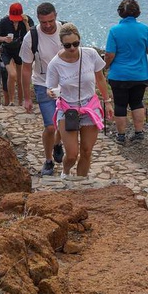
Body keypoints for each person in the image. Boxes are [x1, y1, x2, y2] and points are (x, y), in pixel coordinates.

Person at [44, 23, 111, 179]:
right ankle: (66, 172)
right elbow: (50, 87)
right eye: (68, 45)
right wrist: (51, 92)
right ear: (62, 44)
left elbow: (100, 79)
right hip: (68, 109)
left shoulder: (90, 54)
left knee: (87, 151)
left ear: (80, 40)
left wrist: (107, 101)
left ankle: (81, 183)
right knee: (73, 154)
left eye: (76, 44)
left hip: (90, 107)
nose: (72, 48)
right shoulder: (55, 64)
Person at [104, 0, 148, 145]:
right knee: (137, 103)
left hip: (119, 75)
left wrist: (105, 66)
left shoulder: (114, 31)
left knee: (120, 104)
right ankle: (138, 133)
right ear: (137, 12)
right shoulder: (144, 29)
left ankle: (121, 136)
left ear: (120, 13)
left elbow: (110, 54)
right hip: (139, 74)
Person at [21, 2, 66, 176]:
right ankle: (48, 161)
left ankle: (57, 143)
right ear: (38, 19)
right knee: (50, 127)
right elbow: (26, 68)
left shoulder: (65, 30)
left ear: (56, 15)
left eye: (51, 21)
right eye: (44, 22)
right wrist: (27, 97)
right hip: (42, 84)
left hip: (65, 85)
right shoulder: (31, 37)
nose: (47, 25)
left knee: (63, 123)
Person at [0, 2, 32, 107]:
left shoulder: (27, 20)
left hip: (20, 50)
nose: (15, 20)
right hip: (6, 50)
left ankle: (21, 101)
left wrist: (26, 23)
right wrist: (4, 39)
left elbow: (31, 35)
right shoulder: (4, 22)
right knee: (12, 74)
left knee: (21, 78)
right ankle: (12, 101)